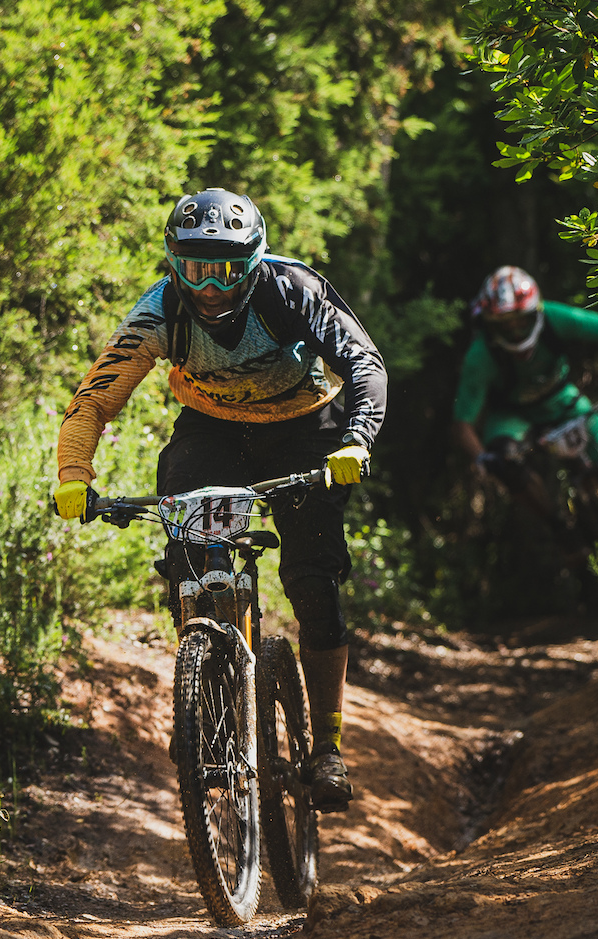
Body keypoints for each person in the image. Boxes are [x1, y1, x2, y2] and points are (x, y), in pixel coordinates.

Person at [53, 188, 386, 812]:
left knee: (312, 579)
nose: (209, 286)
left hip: (305, 427)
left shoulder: (292, 292)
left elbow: (364, 363)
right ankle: (206, 691)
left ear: (254, 261)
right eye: (194, 267)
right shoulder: (160, 312)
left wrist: (357, 440)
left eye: (226, 268)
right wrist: (75, 474)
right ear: (174, 263)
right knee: (187, 544)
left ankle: (328, 747)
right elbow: (94, 400)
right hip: (212, 428)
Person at [451, 266, 598, 561]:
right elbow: (464, 424)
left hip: (563, 402)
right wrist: (482, 458)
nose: (514, 331)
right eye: (505, 325)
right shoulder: (480, 355)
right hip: (513, 416)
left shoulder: (554, 317)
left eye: (520, 321)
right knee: (504, 462)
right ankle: (559, 527)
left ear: (535, 312)